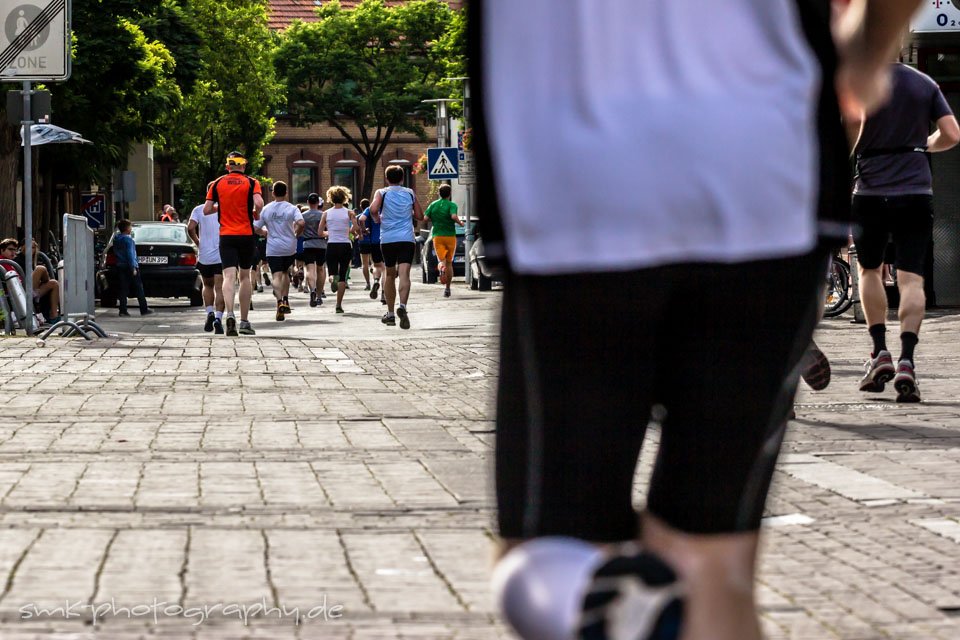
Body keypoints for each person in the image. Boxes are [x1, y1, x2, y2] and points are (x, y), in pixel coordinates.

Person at [474, 1, 920, 640]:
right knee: (712, 562)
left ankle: (619, 609)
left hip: (573, 181)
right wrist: (865, 54)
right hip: (768, 174)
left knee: (551, 557)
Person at [850, 60, 959, 403]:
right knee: (911, 279)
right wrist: (924, 144)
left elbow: (847, 137)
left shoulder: (857, 80)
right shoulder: (922, 82)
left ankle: (880, 352)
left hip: (869, 191)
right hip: (914, 192)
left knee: (869, 270)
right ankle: (907, 361)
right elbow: (953, 134)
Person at [203, 151, 263, 336]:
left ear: (227, 166)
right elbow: (259, 203)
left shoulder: (217, 183)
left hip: (226, 236)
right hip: (246, 234)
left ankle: (229, 314)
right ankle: (244, 321)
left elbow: (206, 210)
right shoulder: (252, 182)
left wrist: (221, 206)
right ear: (243, 165)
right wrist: (255, 213)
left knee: (228, 276)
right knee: (244, 277)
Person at [369, 165, 423, 328]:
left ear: (386, 178)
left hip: (388, 239)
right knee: (405, 274)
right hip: (407, 238)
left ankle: (391, 314)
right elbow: (420, 216)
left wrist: (377, 219)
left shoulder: (382, 192)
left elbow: (373, 209)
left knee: (390, 275)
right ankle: (403, 306)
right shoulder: (409, 193)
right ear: (402, 179)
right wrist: (409, 213)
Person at [254, 181, 304, 322]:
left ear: (273, 193)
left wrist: (264, 233)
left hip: (273, 247)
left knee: (276, 276)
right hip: (289, 246)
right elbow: (301, 223)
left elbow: (255, 227)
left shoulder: (267, 209)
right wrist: (296, 234)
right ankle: (286, 301)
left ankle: (279, 302)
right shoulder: (292, 208)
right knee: (285, 272)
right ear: (286, 192)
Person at [318, 186, 362, 314]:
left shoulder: (326, 214)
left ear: (330, 198)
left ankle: (333, 280)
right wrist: (349, 231)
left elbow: (320, 232)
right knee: (343, 276)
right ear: (344, 198)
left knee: (332, 273)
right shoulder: (349, 213)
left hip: (332, 245)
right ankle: (338, 305)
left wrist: (329, 233)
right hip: (345, 245)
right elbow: (356, 227)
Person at [187, 188, 224, 334]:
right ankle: (219, 319)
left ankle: (209, 312)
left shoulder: (198, 209)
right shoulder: (224, 208)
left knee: (207, 286)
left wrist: (198, 241)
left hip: (205, 255)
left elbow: (190, 227)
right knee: (220, 288)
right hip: (222, 254)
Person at [423, 184, 463, 298]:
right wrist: (460, 223)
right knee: (449, 262)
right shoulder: (452, 205)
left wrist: (435, 219)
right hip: (450, 236)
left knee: (441, 260)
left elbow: (425, 219)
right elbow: (454, 216)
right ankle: (447, 288)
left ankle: (441, 268)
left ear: (439, 193)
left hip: (437, 236)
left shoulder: (433, 205)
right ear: (449, 194)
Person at [13, 238, 62, 324]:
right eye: (28, 247)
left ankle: (54, 316)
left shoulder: (35, 260)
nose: (31, 249)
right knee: (41, 269)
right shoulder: (18, 259)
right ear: (22, 247)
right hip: (23, 290)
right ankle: (43, 283)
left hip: (35, 290)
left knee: (54, 283)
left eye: (33, 247)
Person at [112, 220, 152, 317]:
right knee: (139, 288)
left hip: (120, 265)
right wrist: (133, 267)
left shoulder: (116, 239)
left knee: (123, 289)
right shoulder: (128, 240)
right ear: (126, 229)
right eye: (130, 227)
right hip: (130, 266)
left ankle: (122, 310)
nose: (131, 229)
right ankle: (144, 309)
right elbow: (130, 254)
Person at [356, 198, 386, 303]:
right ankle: (384, 293)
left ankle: (376, 280)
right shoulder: (390, 207)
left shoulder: (370, 209)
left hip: (374, 241)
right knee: (386, 268)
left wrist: (363, 230)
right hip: (389, 240)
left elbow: (361, 219)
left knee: (377, 265)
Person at [301, 192, 327, 307]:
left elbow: (299, 229)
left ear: (308, 202)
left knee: (310, 269)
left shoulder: (303, 215)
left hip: (308, 244)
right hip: (321, 244)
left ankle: (312, 289)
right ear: (318, 203)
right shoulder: (323, 215)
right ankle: (319, 296)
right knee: (320, 269)